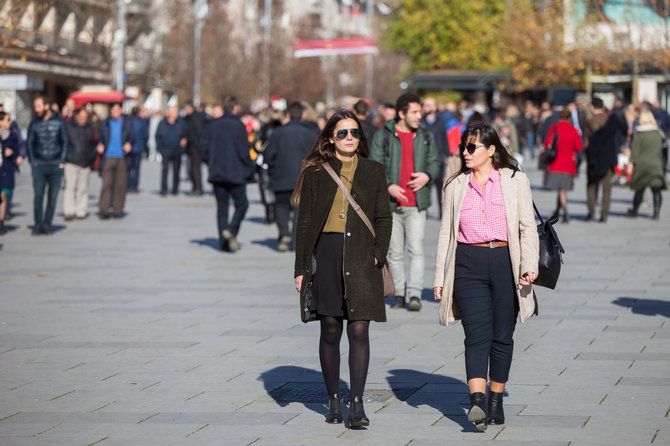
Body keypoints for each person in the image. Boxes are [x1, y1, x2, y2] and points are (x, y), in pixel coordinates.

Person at [433, 122, 539, 431]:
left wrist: (528, 264)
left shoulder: (515, 181)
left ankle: (496, 400)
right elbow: (445, 234)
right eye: (463, 147)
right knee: (476, 335)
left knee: (502, 336)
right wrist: (440, 276)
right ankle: (477, 401)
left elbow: (526, 226)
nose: (465, 153)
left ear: (491, 150)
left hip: (506, 260)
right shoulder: (455, 185)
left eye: (471, 147)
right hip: (468, 262)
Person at [293, 110, 392, 428]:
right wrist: (301, 267)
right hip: (327, 253)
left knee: (360, 329)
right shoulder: (316, 173)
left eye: (355, 133)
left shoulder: (374, 170)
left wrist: (378, 254)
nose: (350, 138)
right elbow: (305, 223)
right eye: (342, 133)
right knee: (331, 328)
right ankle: (334, 397)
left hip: (362, 256)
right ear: (330, 138)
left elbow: (383, 216)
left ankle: (358, 404)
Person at [371, 93, 441, 312]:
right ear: (402, 113)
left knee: (416, 250)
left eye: (420, 111)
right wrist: (389, 185)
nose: (420, 115)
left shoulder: (426, 136)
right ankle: (399, 293)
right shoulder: (383, 136)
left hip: (416, 204)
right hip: (390, 205)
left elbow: (436, 163)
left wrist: (427, 175)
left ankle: (414, 294)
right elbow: (375, 165)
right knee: (395, 252)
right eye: (415, 112)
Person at [200, 96, 253, 252]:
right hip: (236, 173)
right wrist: (249, 167)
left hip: (217, 172)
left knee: (222, 208)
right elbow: (243, 151)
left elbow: (203, 148)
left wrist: (211, 162)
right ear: (235, 108)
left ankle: (224, 243)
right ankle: (231, 230)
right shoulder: (238, 126)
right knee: (242, 204)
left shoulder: (212, 125)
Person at [264, 101, 318, 251]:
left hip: (281, 175)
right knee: (299, 210)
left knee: (281, 206)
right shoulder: (310, 133)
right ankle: (295, 241)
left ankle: (283, 234)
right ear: (302, 116)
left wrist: (272, 168)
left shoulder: (278, 132)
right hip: (302, 177)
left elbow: (269, 154)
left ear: (288, 115)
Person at [26, 95, 69, 235]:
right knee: (38, 195)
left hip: (56, 164)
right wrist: (33, 161)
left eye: (38, 106)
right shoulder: (34, 123)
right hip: (39, 165)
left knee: (53, 197)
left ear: (46, 106)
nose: (35, 109)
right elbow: (29, 143)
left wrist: (62, 161)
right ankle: (38, 224)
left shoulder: (60, 122)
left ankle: (47, 225)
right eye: (35, 106)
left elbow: (65, 142)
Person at [585, 100, 627, 222]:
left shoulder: (591, 121)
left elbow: (587, 141)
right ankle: (604, 214)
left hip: (594, 157)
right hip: (608, 157)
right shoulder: (611, 119)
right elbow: (624, 129)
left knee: (592, 186)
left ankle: (591, 211)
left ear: (592, 107)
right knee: (606, 187)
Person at [543, 108, 583, 223]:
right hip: (568, 164)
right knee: (562, 190)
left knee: (561, 191)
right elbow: (579, 147)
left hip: (556, 163)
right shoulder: (573, 130)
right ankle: (559, 211)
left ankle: (565, 212)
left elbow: (547, 143)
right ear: (569, 118)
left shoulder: (554, 128)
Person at [97, 102, 134, 219]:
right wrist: (100, 144)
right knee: (106, 183)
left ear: (121, 110)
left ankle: (118, 210)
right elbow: (100, 138)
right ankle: (104, 210)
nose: (114, 113)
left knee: (120, 185)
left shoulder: (127, 123)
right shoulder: (105, 123)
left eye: (117, 110)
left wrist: (129, 144)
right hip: (108, 156)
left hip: (122, 156)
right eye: (112, 111)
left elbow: (132, 138)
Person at [628, 111, 667, 220]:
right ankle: (656, 213)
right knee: (656, 190)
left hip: (641, 165)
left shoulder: (639, 133)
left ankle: (635, 211)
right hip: (656, 164)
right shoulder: (658, 133)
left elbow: (634, 152)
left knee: (639, 190)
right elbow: (664, 148)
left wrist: (631, 164)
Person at [63, 108, 97, 220]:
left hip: (85, 163)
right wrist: (64, 158)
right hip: (71, 161)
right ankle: (68, 211)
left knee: (83, 189)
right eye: (81, 116)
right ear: (76, 116)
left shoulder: (90, 128)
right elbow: (64, 143)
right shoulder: (68, 127)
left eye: (85, 117)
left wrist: (92, 162)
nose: (83, 119)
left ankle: (80, 211)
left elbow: (93, 145)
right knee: (70, 187)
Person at [421, 97, 450, 217]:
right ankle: (424, 211)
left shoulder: (441, 121)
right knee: (425, 186)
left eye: (429, 105)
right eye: (425, 105)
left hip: (438, 158)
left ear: (434, 107)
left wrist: (448, 155)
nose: (426, 107)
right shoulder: (421, 121)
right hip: (424, 158)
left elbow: (444, 138)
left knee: (439, 187)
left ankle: (441, 213)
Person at [156, 105, 187, 196]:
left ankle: (175, 189)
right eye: (173, 112)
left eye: (176, 112)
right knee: (165, 170)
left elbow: (185, 134)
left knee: (176, 170)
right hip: (166, 149)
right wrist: (160, 149)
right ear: (168, 113)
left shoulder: (181, 123)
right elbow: (158, 136)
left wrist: (184, 140)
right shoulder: (162, 123)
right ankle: (164, 189)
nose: (175, 114)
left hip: (177, 150)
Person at [0, 111, 19, 233]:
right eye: (7, 120)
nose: (10, 122)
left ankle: (1, 221)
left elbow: (18, 150)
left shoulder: (13, 136)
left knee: (3, 195)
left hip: (7, 169)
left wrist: (13, 153)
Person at [184, 101, 208, 195]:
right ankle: (195, 187)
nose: (185, 111)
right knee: (192, 168)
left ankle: (198, 188)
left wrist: (191, 141)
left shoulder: (196, 118)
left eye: (186, 109)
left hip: (196, 146)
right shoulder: (189, 117)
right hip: (192, 146)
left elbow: (198, 133)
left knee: (196, 168)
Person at [127, 106, 149, 193]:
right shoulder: (142, 122)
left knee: (128, 168)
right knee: (136, 169)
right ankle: (134, 186)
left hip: (129, 148)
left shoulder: (128, 121)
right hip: (139, 147)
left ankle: (128, 185)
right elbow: (146, 136)